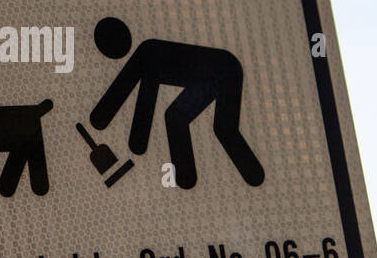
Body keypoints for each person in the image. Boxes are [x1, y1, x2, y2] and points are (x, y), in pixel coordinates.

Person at [89, 17, 264, 189]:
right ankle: (189, 180)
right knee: (179, 118)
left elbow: (143, 94)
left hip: (224, 70)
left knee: (215, 127)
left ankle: (247, 178)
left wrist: (126, 134)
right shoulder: (148, 52)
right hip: (225, 68)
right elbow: (143, 94)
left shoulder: (147, 53)